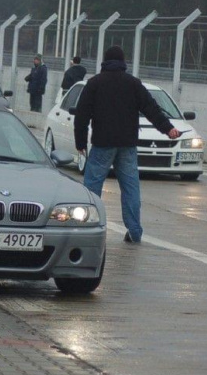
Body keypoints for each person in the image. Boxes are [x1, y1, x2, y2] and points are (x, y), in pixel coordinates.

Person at [74, 46, 180, 244]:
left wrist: (80, 142)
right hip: (127, 145)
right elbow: (152, 109)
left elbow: (81, 115)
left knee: (92, 187)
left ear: (104, 61)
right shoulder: (133, 84)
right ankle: (134, 231)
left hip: (103, 144)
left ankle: (87, 226)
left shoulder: (95, 83)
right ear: (123, 62)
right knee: (131, 188)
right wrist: (168, 129)